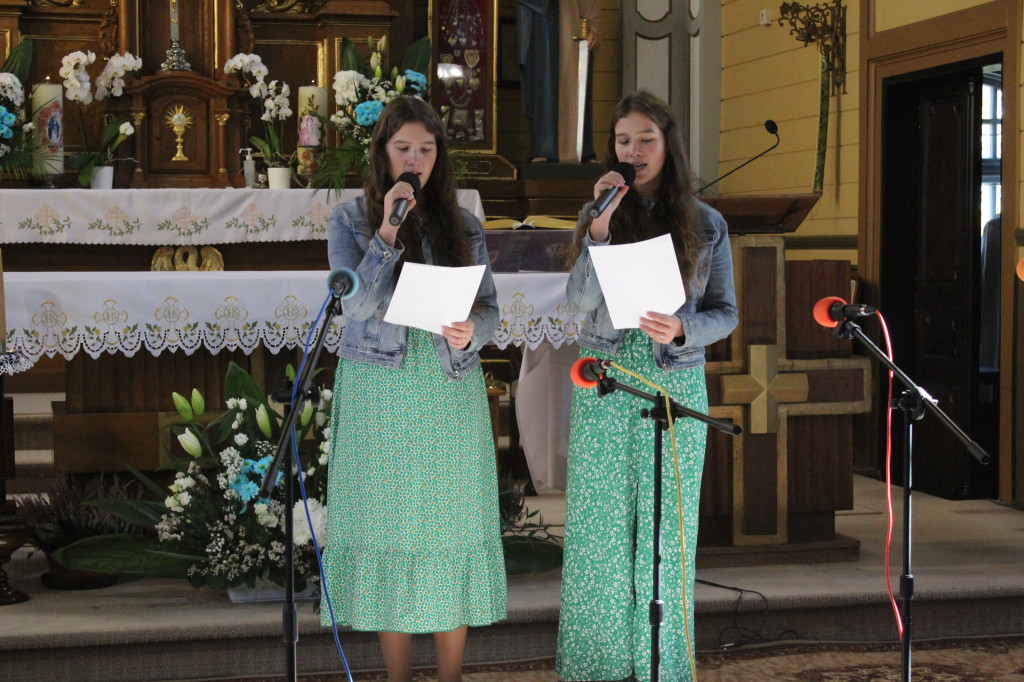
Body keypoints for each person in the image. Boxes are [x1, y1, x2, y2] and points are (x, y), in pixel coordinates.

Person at [321, 95, 507, 682]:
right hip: (381, 391)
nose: (415, 160)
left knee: (449, 531)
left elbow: (491, 312)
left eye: (427, 150)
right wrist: (385, 233)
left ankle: (450, 679)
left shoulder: (464, 224)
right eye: (404, 148)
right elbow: (353, 306)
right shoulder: (349, 221)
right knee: (390, 532)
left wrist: (471, 330)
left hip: (447, 390)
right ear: (382, 153)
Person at [556, 90, 739, 682]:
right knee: (601, 527)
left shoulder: (707, 223)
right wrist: (600, 230)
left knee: (667, 528)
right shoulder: (597, 215)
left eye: (645, 140)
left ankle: (661, 666)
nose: (632, 151)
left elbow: (726, 312)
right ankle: (599, 667)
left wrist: (686, 326)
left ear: (668, 145)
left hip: (673, 382)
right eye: (622, 141)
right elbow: (579, 303)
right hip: (606, 376)